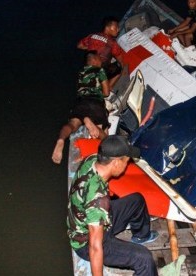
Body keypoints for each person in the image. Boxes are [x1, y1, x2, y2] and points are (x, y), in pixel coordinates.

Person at [67, 135, 159, 276]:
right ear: (116, 163)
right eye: (126, 162)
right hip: (85, 242)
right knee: (144, 259)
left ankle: (142, 235)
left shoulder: (92, 159)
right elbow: (95, 247)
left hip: (98, 219)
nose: (127, 165)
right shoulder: (97, 202)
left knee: (137, 200)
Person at [51, 51, 110, 164]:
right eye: (99, 59)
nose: (101, 61)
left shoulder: (81, 72)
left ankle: (61, 139)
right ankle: (92, 124)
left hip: (80, 103)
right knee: (104, 137)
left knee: (72, 124)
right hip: (95, 102)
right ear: (93, 60)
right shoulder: (99, 70)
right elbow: (106, 93)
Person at [77, 16, 124, 90]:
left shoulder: (92, 36)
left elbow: (79, 46)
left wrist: (89, 47)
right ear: (107, 28)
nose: (118, 30)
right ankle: (109, 86)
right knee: (119, 67)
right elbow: (121, 60)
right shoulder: (112, 43)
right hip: (101, 71)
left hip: (87, 70)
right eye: (116, 27)